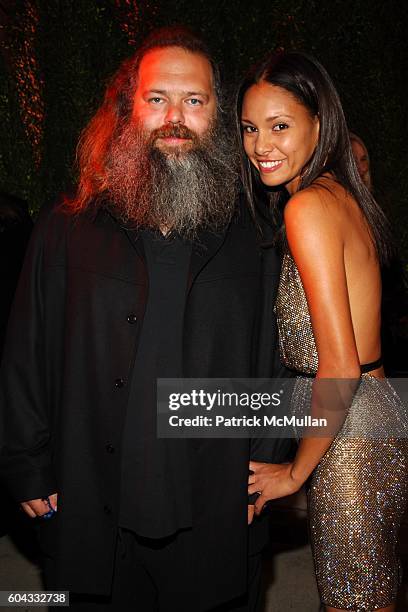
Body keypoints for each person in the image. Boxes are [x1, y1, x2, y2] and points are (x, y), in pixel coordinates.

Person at [0, 27, 290, 611]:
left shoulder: (259, 237)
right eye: (157, 99)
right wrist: (24, 464)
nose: (174, 118)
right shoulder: (67, 225)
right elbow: (25, 352)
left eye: (194, 101)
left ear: (220, 117)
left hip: (214, 510)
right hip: (91, 504)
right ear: (127, 109)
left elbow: (281, 360)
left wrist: (273, 460)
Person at [237, 51, 408, 611]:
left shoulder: (307, 208)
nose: (262, 145)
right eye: (250, 128)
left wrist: (294, 472)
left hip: (351, 430)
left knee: (355, 600)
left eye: (280, 125)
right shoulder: (341, 191)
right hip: (377, 413)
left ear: (319, 124)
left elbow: (338, 363)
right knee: (373, 593)